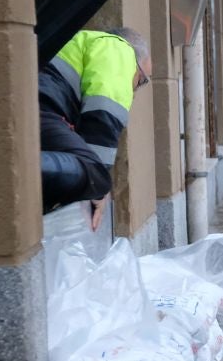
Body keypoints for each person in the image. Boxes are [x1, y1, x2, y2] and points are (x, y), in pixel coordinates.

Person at [38, 27, 151, 230]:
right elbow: (104, 114)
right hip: (41, 108)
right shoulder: (118, 47)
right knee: (96, 174)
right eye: (141, 81)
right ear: (135, 62)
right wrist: (96, 187)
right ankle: (18, 166)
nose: (133, 92)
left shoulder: (81, 44)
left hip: (37, 108)